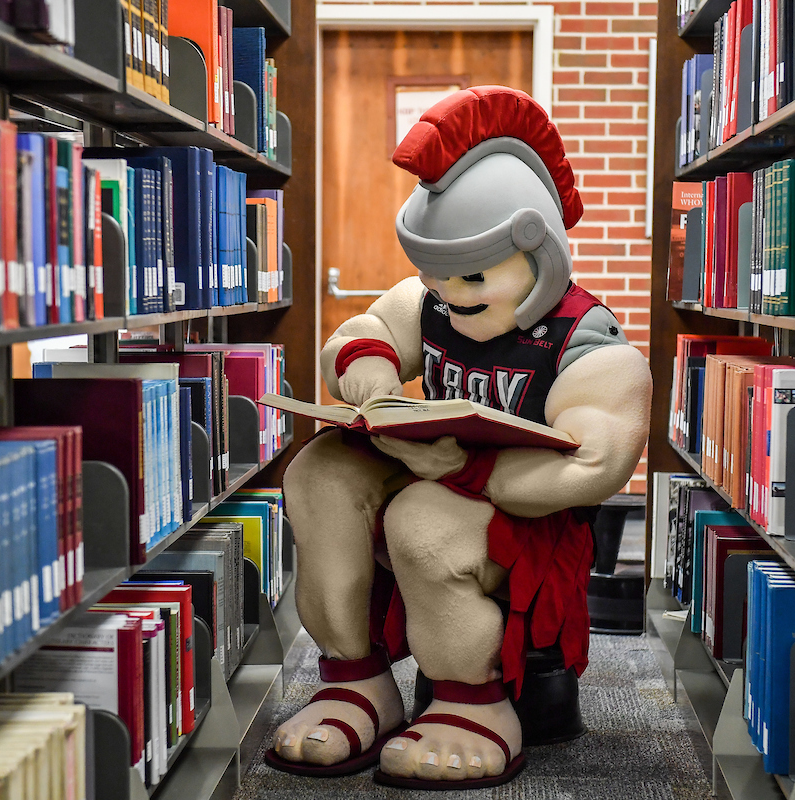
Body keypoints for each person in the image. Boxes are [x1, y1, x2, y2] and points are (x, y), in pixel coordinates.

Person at [266, 86, 652, 789]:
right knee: (318, 471)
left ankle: (472, 706)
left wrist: (465, 473)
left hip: (530, 521)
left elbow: (593, 463)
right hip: (438, 472)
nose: (448, 293)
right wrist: (372, 380)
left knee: (423, 519)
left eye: (471, 275)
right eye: (434, 275)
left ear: (537, 252)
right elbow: (363, 334)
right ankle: (356, 679)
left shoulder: (587, 344)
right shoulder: (432, 302)